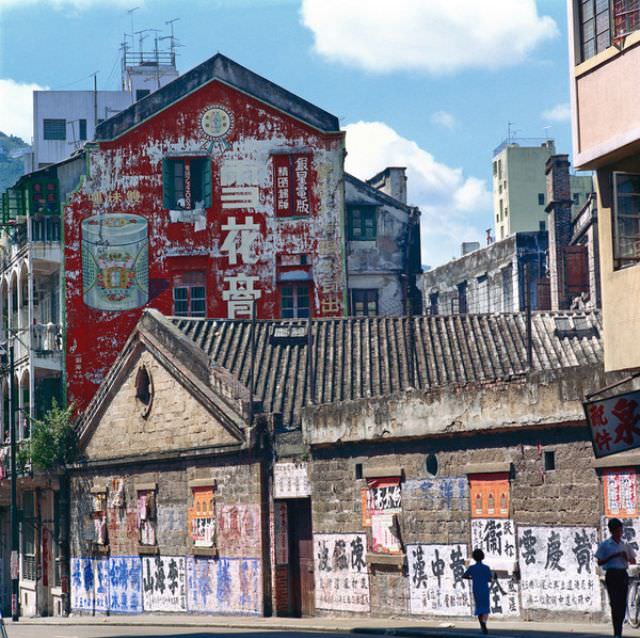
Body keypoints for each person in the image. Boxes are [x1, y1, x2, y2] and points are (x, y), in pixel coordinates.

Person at [596, 518, 637, 638]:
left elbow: (633, 560)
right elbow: (600, 562)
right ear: (611, 531)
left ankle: (619, 628)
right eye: (617, 531)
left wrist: (626, 557)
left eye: (621, 530)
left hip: (622, 574)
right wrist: (613, 556)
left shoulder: (625, 545)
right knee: (614, 603)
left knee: (622, 603)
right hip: (611, 574)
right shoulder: (605, 545)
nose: (620, 533)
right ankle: (617, 632)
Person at [464, 548, 493, 635]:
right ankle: (484, 623)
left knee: (479, 606)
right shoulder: (486, 568)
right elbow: (489, 579)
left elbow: (464, 576)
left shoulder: (472, 568)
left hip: (476, 588)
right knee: (485, 607)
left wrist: (472, 577)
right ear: (482, 557)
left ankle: (481, 624)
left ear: (474, 557)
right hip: (484, 588)